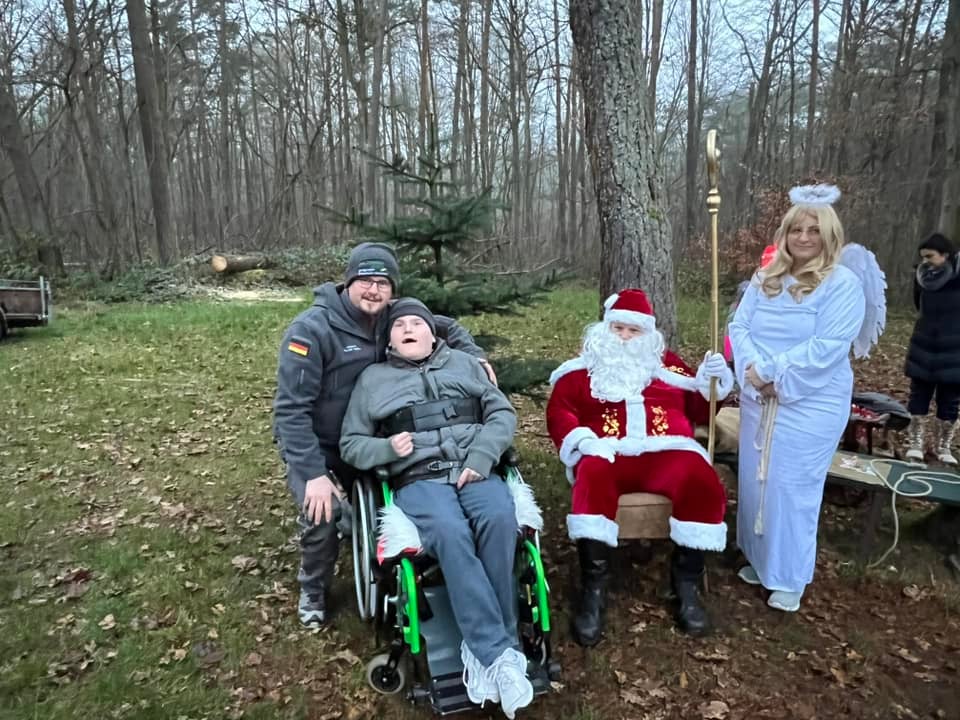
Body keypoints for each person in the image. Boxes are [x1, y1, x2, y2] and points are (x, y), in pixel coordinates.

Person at [272, 243, 494, 627]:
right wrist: (313, 473)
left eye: (383, 283)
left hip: (373, 435)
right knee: (324, 512)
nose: (374, 291)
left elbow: (446, 326)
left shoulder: (391, 316)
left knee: (394, 497)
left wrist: (475, 355)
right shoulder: (312, 330)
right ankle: (313, 588)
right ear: (348, 283)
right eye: (365, 281)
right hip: (321, 444)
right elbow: (290, 411)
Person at [339, 298, 535, 719]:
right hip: (419, 478)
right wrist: (385, 448)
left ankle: (486, 656)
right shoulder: (373, 379)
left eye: (417, 323)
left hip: (475, 468)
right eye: (400, 325)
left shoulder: (465, 365)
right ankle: (500, 655)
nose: (409, 329)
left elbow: (501, 413)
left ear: (433, 335)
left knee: (500, 520)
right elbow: (351, 444)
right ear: (389, 341)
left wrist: (482, 456)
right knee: (450, 531)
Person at [546, 289, 734, 644]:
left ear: (648, 333)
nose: (625, 337)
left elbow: (701, 411)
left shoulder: (669, 366)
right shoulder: (581, 370)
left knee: (701, 479)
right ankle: (594, 589)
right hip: (608, 451)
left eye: (634, 331)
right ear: (605, 328)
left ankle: (686, 585)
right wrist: (583, 441)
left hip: (667, 451)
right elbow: (560, 411)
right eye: (618, 328)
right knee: (592, 475)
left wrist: (714, 385)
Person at [728, 184, 867, 613]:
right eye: (796, 229)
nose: (804, 238)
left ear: (829, 235)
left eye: (814, 230)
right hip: (759, 396)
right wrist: (753, 372)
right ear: (785, 233)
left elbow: (828, 346)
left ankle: (789, 575)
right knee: (758, 482)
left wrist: (772, 373)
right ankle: (762, 560)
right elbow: (739, 327)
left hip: (809, 401)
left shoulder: (842, 284)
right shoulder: (765, 278)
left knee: (791, 488)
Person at [903, 232, 960, 466]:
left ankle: (943, 445)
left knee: (950, 398)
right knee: (919, 394)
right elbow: (919, 304)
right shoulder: (921, 277)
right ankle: (915, 442)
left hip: (954, 346)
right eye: (923, 257)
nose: (925, 261)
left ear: (945, 255)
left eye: (930, 256)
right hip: (924, 343)